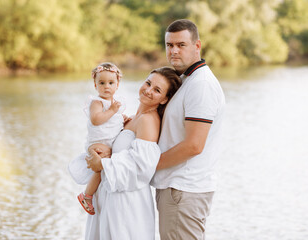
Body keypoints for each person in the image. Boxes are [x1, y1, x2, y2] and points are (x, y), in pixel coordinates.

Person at [69, 67, 181, 240]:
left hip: (127, 203)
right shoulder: (133, 117)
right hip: (110, 196)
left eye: (157, 90)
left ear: (165, 99)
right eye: (148, 83)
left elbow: (141, 166)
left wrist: (103, 164)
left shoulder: (148, 120)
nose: (148, 90)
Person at [150, 19, 226, 239]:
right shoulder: (187, 80)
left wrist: (148, 165)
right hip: (178, 189)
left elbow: (194, 145)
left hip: (183, 190)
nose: (173, 51)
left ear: (197, 45)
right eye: (169, 45)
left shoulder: (201, 85)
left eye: (181, 45)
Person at [68, 62, 127, 215]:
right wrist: (113, 111)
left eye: (111, 83)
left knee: (105, 168)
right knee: (100, 168)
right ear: (95, 85)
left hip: (107, 142)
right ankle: (86, 195)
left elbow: (114, 120)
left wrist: (123, 118)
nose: (106, 86)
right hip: (97, 144)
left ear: (117, 84)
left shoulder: (115, 104)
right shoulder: (97, 102)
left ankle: (96, 195)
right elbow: (96, 119)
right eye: (102, 83)